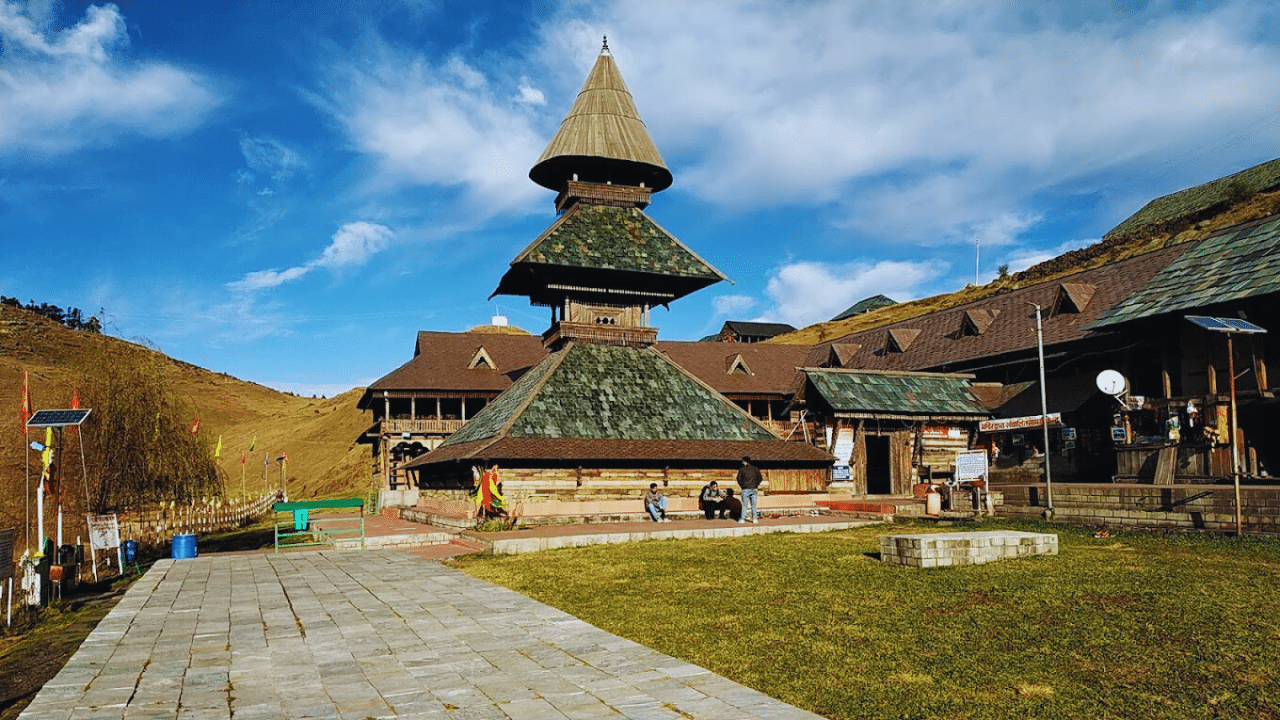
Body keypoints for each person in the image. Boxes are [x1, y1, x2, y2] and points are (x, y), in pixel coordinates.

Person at [736, 456, 763, 523]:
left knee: (745, 504)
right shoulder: (756, 469)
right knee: (754, 505)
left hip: (745, 488)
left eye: (742, 461)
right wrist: (756, 485)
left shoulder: (742, 469)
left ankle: (742, 519)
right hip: (754, 488)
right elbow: (760, 478)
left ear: (745, 461)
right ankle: (754, 519)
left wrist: (742, 486)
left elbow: (738, 479)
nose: (742, 462)